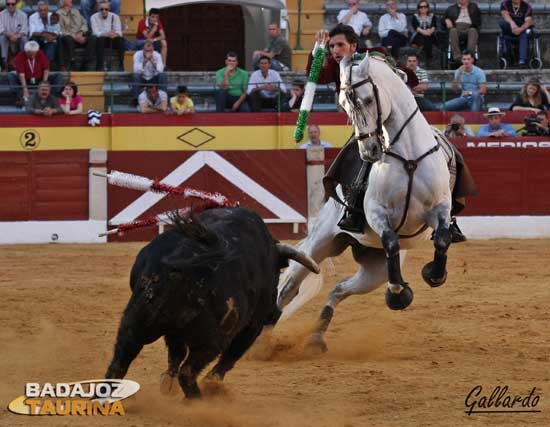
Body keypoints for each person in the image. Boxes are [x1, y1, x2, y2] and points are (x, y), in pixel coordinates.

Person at [306, 24, 471, 240]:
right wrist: (317, 50)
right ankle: (353, 209)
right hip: (368, 125)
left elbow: (408, 76)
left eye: (340, 45)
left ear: (353, 45)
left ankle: (449, 217)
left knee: (447, 151)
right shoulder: (334, 66)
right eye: (332, 46)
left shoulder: (378, 56)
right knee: (352, 158)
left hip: (401, 119)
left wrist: (401, 75)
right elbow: (314, 76)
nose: (335, 50)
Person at [58, 0, 97, 71]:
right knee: (67, 38)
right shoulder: (59, 13)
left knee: (93, 38)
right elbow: (61, 31)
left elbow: (84, 23)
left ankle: (86, 61)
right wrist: (74, 36)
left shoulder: (76, 11)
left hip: (80, 36)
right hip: (70, 38)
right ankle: (72, 61)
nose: (71, 0)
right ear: (63, 2)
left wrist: (81, 32)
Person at [444, 0, 481, 64]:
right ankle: (457, 57)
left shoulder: (473, 7)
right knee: (453, 31)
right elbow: (444, 18)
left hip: (469, 27)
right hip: (456, 27)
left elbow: (478, 20)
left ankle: (469, 56)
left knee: (473, 31)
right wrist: (446, 20)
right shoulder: (451, 8)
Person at [91, 0, 124, 71]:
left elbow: (119, 32)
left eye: (106, 9)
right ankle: (99, 66)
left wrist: (115, 34)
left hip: (113, 39)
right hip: (101, 40)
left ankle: (121, 64)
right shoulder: (93, 17)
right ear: (98, 9)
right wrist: (106, 34)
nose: (104, 11)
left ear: (109, 9)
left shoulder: (115, 16)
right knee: (101, 39)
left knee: (120, 40)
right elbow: (95, 33)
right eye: (101, 9)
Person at [500, 0, 533, 68]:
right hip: (510, 28)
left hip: (523, 28)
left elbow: (528, 21)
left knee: (525, 32)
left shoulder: (527, 6)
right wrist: (512, 23)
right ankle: (508, 57)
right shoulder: (505, 3)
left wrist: (520, 29)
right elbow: (504, 14)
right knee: (503, 24)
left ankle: (522, 61)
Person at [0, 0, 28, 70]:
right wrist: (9, 35)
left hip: (19, 37)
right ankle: (4, 64)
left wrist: (17, 36)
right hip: (6, 36)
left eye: (13, 4)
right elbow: (1, 29)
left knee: (25, 39)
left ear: (16, 4)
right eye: (8, 4)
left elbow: (25, 31)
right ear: (6, 5)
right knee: (2, 38)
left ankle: (24, 63)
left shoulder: (23, 15)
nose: (10, 6)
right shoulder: (1, 14)